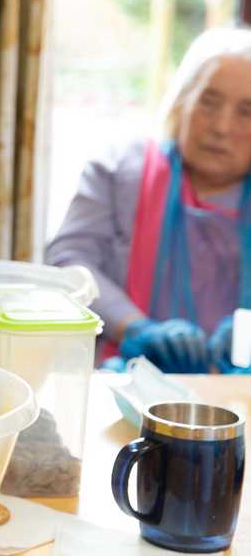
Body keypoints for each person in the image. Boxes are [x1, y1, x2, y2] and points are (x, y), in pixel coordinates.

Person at [46, 27, 251, 374]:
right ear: (181, 101)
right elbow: (68, 260)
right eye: (208, 102)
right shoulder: (117, 170)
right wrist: (135, 327)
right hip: (120, 380)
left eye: (246, 112)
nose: (221, 126)